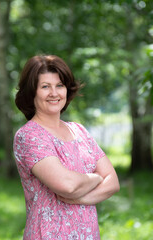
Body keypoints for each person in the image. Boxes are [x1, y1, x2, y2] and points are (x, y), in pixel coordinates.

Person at [13, 55, 120, 240]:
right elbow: (67, 186)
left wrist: (81, 199)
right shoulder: (29, 136)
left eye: (60, 85)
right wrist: (95, 177)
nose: (54, 93)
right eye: (45, 86)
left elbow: (113, 182)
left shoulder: (79, 131)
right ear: (32, 92)